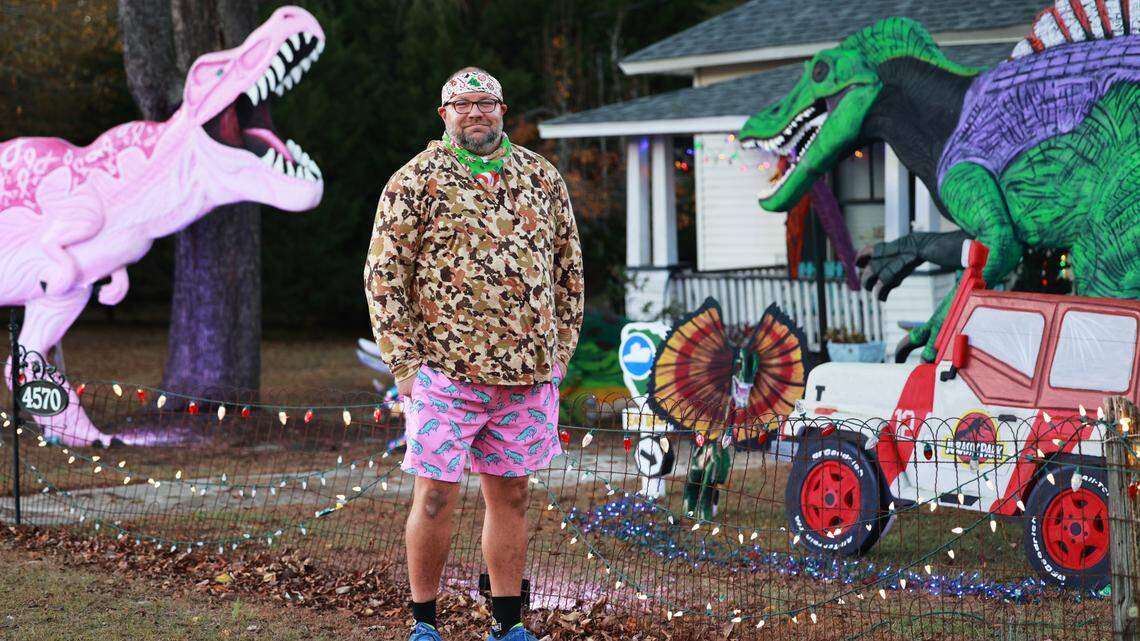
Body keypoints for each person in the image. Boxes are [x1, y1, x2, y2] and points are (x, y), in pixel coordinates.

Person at [365, 67, 584, 641]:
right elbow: (384, 275)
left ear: (503, 110)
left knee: (511, 495)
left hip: (528, 377)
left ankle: (507, 625)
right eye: (463, 105)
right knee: (435, 497)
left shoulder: (541, 177)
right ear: (445, 115)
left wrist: (560, 351)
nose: (475, 114)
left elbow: (569, 271)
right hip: (446, 373)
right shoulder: (415, 180)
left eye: (485, 104)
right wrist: (404, 364)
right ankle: (424, 624)